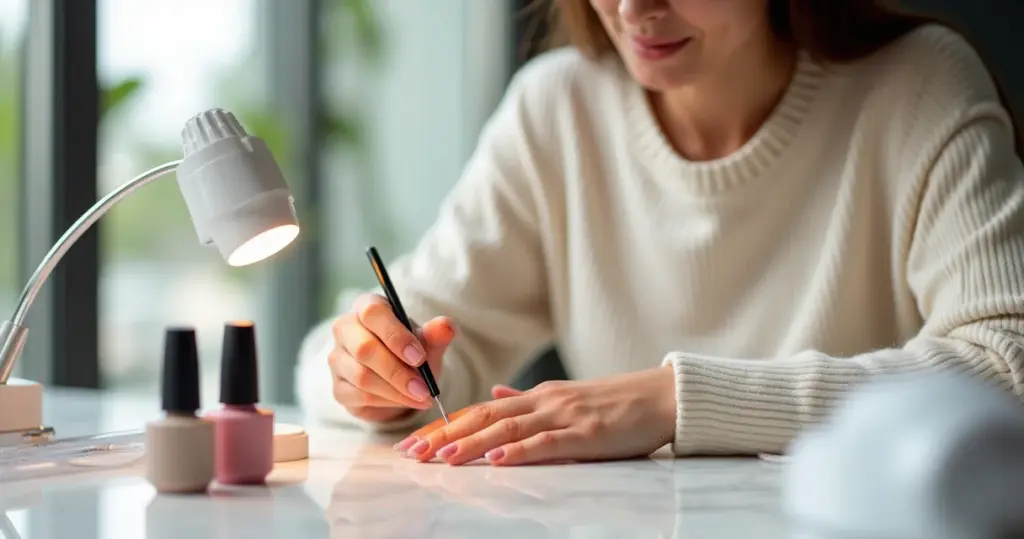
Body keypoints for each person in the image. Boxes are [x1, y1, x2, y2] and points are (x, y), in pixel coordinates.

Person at [295, 0, 1024, 466]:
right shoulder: (559, 110)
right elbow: (375, 340)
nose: (632, 8)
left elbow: (1007, 365)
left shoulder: (919, 87)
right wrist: (373, 373)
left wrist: (674, 401)